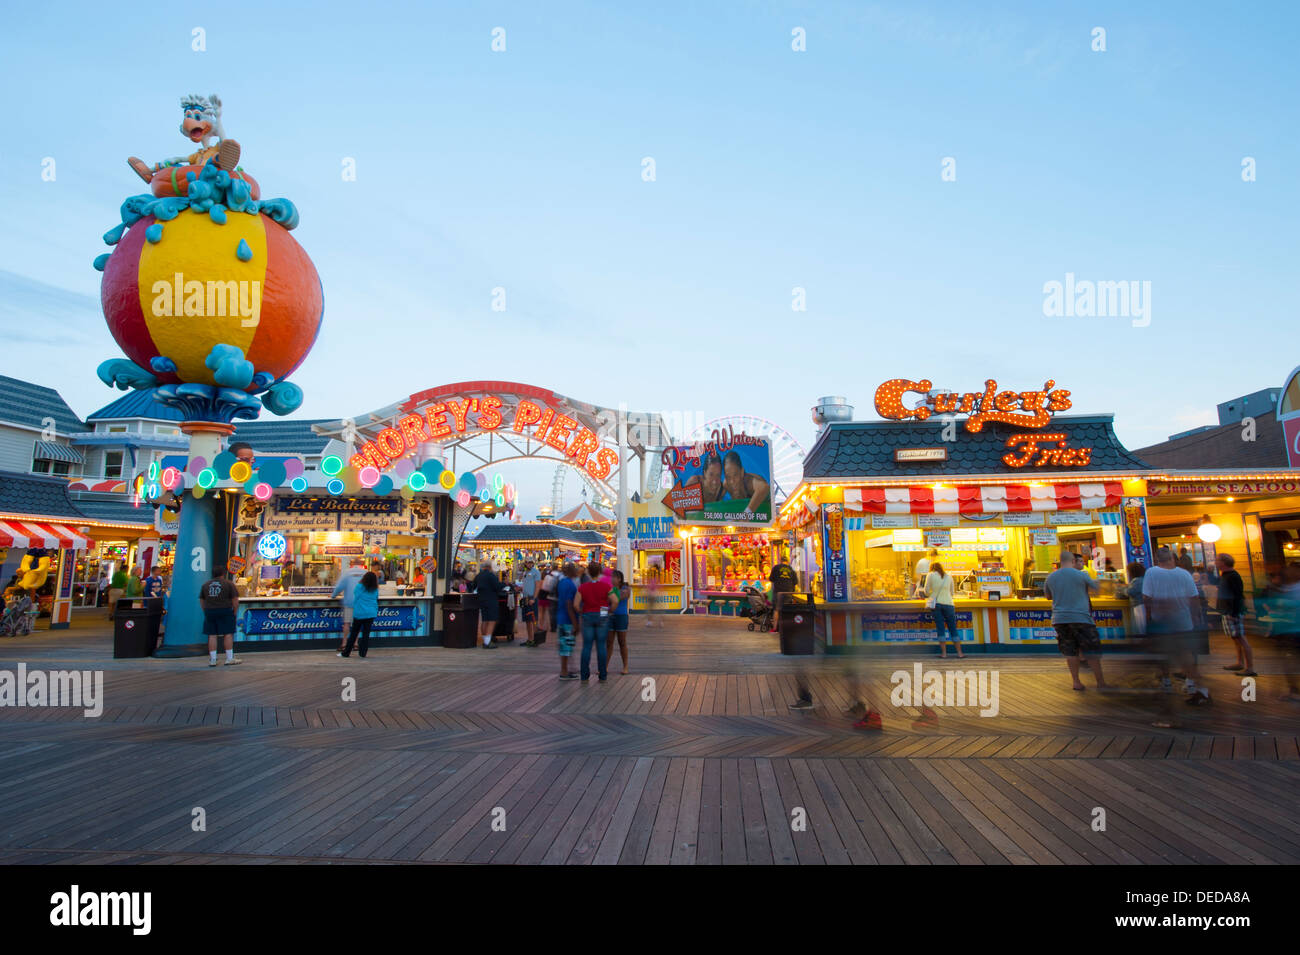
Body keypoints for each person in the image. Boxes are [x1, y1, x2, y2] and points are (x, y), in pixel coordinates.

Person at [1144, 545, 1210, 716]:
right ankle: (1199, 687)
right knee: (1186, 656)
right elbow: (1194, 598)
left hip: (1161, 622)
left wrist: (1149, 616)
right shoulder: (1184, 574)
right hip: (1183, 621)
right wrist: (1196, 617)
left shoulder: (1151, 573)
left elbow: (1147, 598)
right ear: (1172, 558)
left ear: (1157, 559)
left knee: (1162, 655)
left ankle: (1166, 682)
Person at [1043, 548, 1108, 691]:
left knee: (1070, 651)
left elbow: (1048, 597)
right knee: (1091, 651)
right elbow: (1096, 589)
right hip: (1081, 617)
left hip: (1060, 619)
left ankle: (1076, 682)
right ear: (1073, 561)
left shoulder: (1051, 577)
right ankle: (1100, 682)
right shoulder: (1081, 575)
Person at [575, 560, 618, 682]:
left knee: (587, 646)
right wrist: (609, 611)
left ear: (588, 572)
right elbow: (615, 601)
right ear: (599, 573)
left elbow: (575, 604)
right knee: (601, 646)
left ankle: (584, 674)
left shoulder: (583, 587)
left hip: (587, 615)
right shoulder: (606, 586)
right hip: (602, 615)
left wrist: (582, 612)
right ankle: (602, 674)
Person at [1215, 554, 1255, 676]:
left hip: (1233, 612)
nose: (1215, 562)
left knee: (1241, 638)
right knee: (1235, 638)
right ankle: (1240, 662)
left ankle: (1250, 668)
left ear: (1223, 563)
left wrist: (1234, 612)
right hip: (1228, 611)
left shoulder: (1232, 576)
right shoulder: (1227, 576)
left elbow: (1237, 595)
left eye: (1217, 560)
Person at [200, 564, 241, 667]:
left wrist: (205, 610)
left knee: (212, 635)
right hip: (225, 610)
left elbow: (201, 600)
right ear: (223, 573)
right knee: (228, 634)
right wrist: (234, 612)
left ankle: (213, 659)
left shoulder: (205, 585)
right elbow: (235, 600)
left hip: (210, 611)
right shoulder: (229, 584)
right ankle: (229, 658)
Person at [923, 562, 963, 658]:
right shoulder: (949, 576)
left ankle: (944, 654)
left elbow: (926, 591)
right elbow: (952, 593)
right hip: (949, 604)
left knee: (940, 628)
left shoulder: (930, 575)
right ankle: (960, 653)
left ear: (931, 568)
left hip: (937, 605)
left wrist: (932, 593)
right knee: (953, 628)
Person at [332, 558, 367, 656]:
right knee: (357, 623)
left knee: (347, 623)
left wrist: (333, 595)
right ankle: (355, 644)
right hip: (361, 602)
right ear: (362, 563)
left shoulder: (347, 573)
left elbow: (339, 586)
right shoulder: (365, 573)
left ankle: (344, 643)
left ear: (351, 563)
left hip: (349, 601)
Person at [341, 572, 379, 658]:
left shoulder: (359, 587)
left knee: (354, 633)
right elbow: (376, 598)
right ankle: (363, 653)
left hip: (359, 613)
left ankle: (346, 652)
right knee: (366, 634)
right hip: (371, 613)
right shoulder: (375, 589)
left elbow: (356, 595)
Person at [721, 450, 770, 514]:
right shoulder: (726, 484)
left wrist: (746, 514)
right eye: (728, 477)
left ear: (742, 472)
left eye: (735, 475)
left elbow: (765, 487)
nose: (732, 481)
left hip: (767, 508)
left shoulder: (749, 481)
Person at [555, 562, 580, 680]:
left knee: (566, 644)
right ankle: (564, 671)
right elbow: (569, 604)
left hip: (561, 616)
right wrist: (575, 622)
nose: (577, 571)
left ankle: (568, 668)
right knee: (566, 645)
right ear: (570, 571)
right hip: (567, 619)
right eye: (574, 569)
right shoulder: (570, 585)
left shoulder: (562, 583)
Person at [605, 569, 632, 675]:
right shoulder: (610, 588)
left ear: (619, 579)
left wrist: (611, 594)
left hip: (621, 616)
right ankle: (605, 666)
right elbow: (607, 599)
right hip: (610, 616)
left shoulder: (626, 588)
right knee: (609, 643)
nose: (611, 579)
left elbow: (619, 597)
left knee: (622, 642)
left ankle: (625, 666)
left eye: (613, 577)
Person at [473, 559, 503, 648]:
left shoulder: (479, 576)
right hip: (491, 599)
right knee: (492, 620)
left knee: (485, 620)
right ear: (490, 567)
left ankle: (485, 640)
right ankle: (487, 642)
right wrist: (504, 585)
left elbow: (474, 586)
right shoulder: (491, 576)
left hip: (481, 599)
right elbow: (497, 586)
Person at [769, 555, 798, 632]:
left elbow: (771, 579)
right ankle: (786, 629)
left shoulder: (776, 568)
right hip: (788, 592)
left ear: (780, 560)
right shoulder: (791, 569)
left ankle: (775, 628)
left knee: (776, 610)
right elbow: (795, 582)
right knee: (786, 610)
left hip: (778, 592)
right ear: (787, 561)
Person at [519, 559, 541, 647]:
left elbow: (538, 586)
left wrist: (534, 598)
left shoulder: (536, 572)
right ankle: (529, 639)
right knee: (527, 620)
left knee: (533, 619)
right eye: (527, 562)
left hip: (532, 598)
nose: (529, 564)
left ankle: (535, 639)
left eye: (531, 562)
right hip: (525, 598)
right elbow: (524, 582)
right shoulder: (525, 572)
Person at [1126, 563, 1147, 634]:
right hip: (1143, 604)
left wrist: (1123, 589)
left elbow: (1130, 592)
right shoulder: (1143, 579)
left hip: (1139, 605)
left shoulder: (1137, 581)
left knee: (1141, 625)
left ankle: (1143, 640)